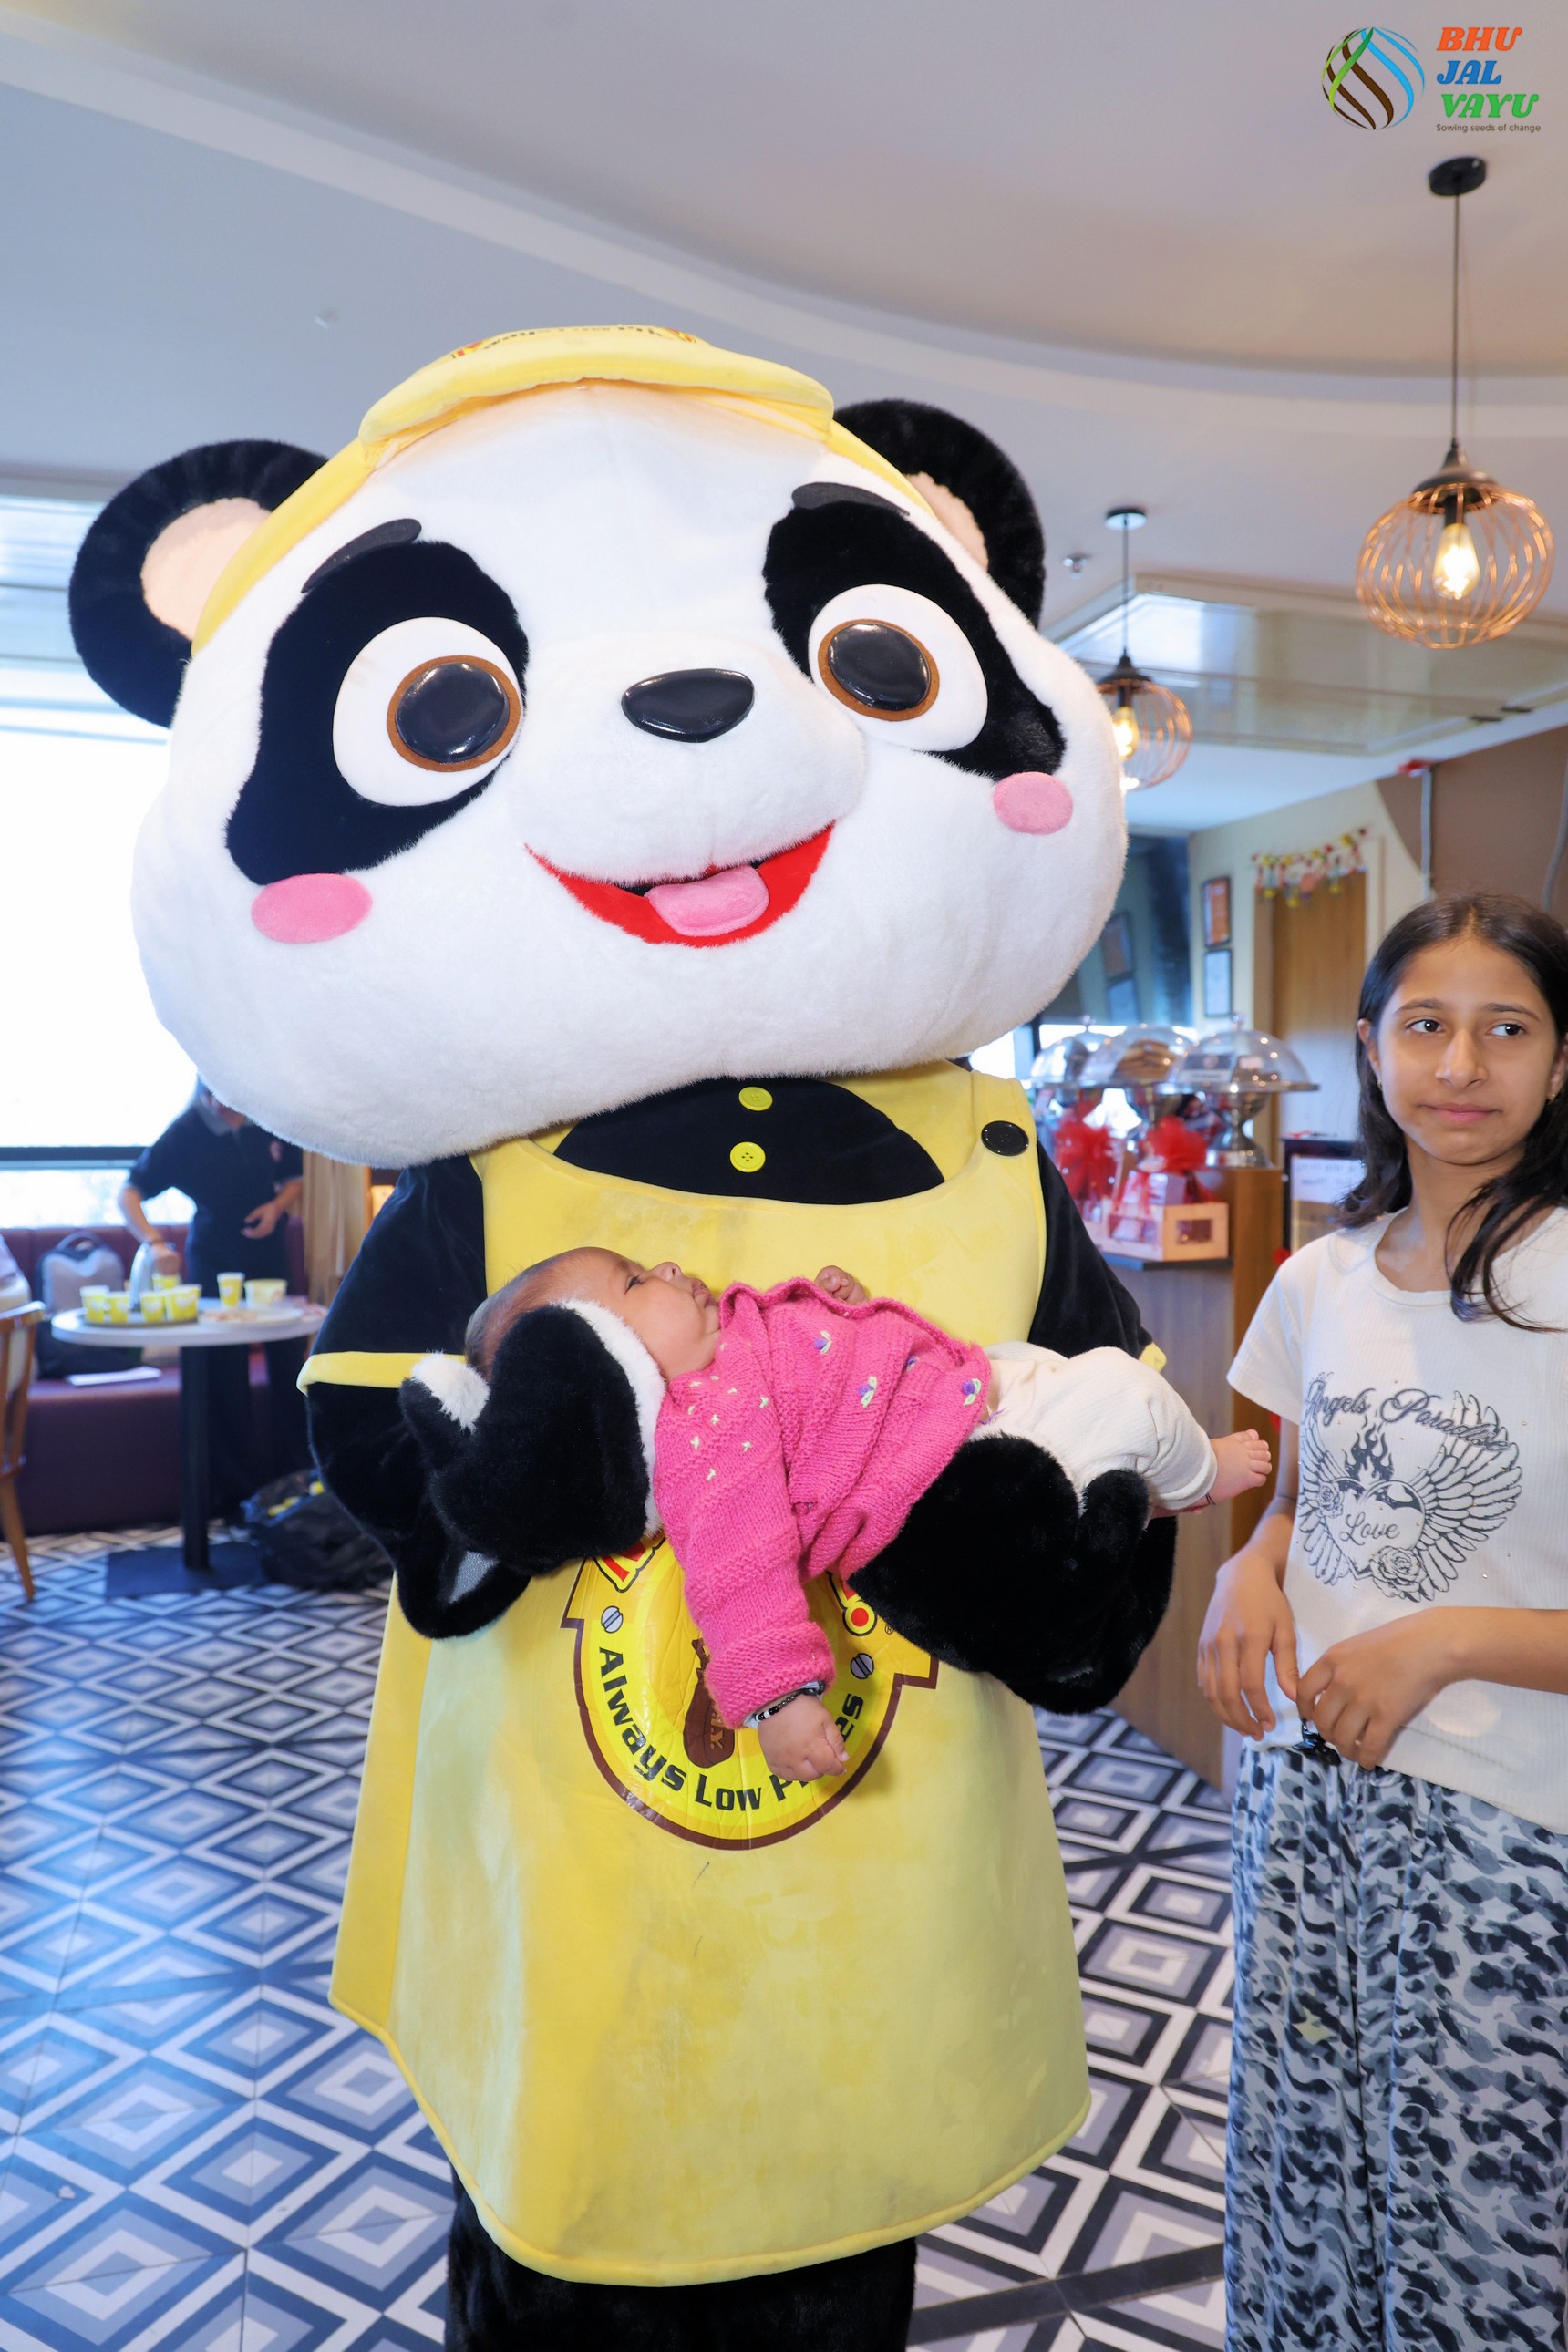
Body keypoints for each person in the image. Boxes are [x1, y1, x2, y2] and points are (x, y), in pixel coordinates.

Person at [1198, 892, 1568, 2350]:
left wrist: (1449, 1639)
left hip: (1510, 1828)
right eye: (1426, 1025)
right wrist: (1247, 1568)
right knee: (1310, 2179)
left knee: (1487, 2230)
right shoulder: (1320, 1278)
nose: (1461, 1065)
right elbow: (1306, 1498)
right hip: (1306, 1806)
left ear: (1562, 1059)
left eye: (1506, 1028)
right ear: (1370, 1047)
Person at [469, 1246, 1269, 1782]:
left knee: (1052, 1370)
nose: (669, 1267)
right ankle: (1195, 1474)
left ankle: (1140, 1474)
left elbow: (821, 1369)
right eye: (638, 1282)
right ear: (604, 1363)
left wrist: (841, 1307)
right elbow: (737, 1573)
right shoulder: (700, 1437)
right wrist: (779, 1704)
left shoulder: (732, 1342)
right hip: (946, 1462)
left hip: (962, 1388)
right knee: (1123, 1392)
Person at [119, 1081, 309, 1510]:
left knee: (288, 1362)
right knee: (224, 1373)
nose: (221, 1106)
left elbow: (294, 1179)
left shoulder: (270, 1116)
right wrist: (154, 1242)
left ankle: (296, 1484)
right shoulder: (186, 1131)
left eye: (228, 1096)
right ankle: (238, 1495)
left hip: (269, 1254)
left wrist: (276, 1207)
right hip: (213, 1255)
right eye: (212, 1096)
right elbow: (128, 1191)